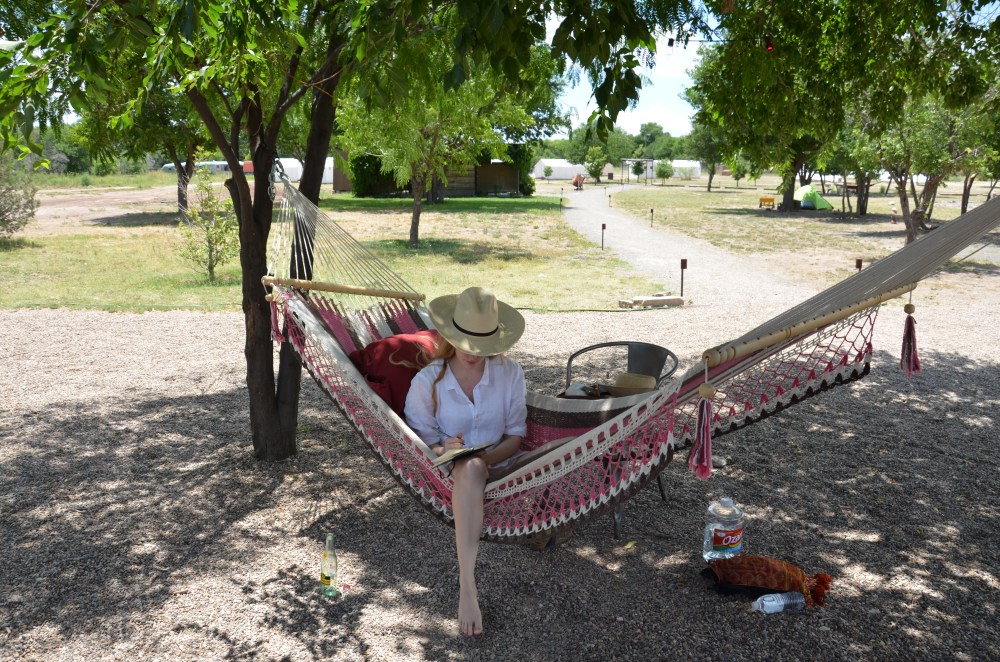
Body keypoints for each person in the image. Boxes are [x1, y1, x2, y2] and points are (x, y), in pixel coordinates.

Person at [404, 286, 527, 637]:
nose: (473, 354)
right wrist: (447, 449)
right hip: (455, 469)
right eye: (465, 343)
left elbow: (516, 435)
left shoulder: (510, 374)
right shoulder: (428, 381)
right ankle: (468, 586)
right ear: (450, 335)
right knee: (469, 467)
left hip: (505, 462)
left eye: (481, 346)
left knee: (569, 446)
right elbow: (425, 442)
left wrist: (487, 457)